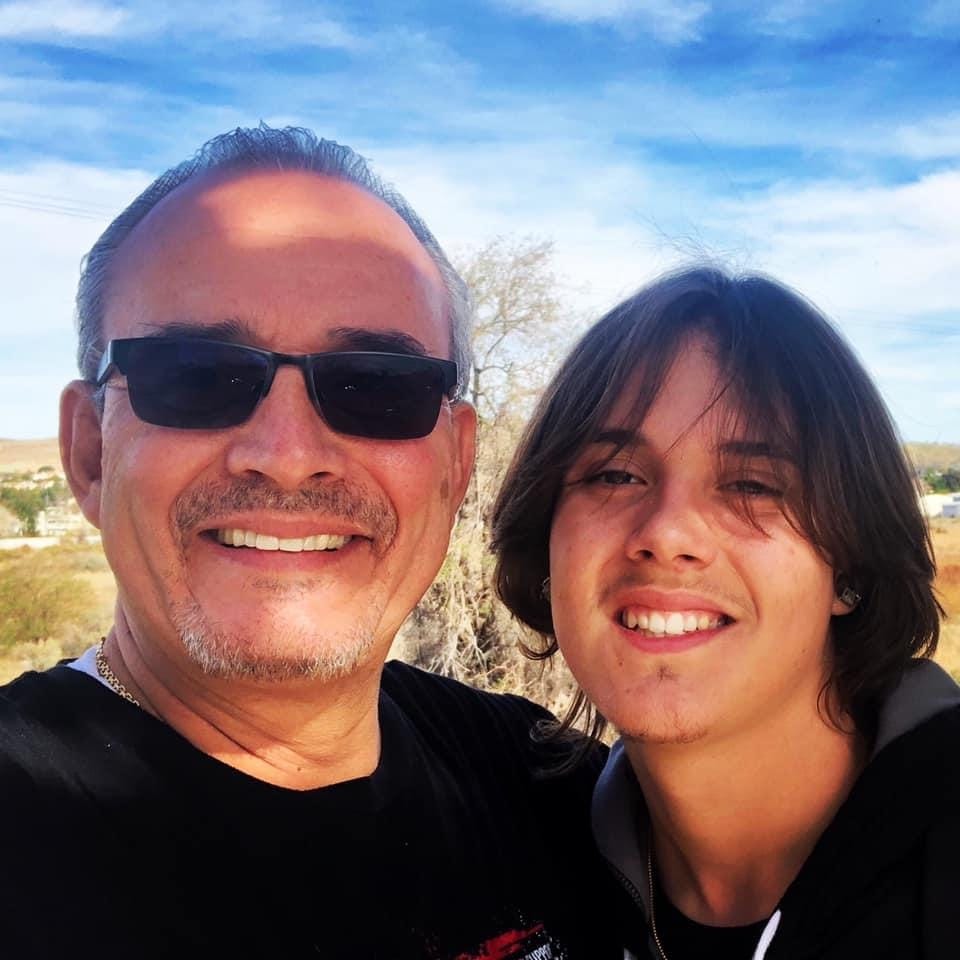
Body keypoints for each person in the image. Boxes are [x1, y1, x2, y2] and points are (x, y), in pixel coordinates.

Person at [0, 126, 617, 959]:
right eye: (196, 376)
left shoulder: (548, 789)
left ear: (456, 463)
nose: (288, 456)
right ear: (88, 452)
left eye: (376, 387)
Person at [492, 266, 959, 960]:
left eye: (751, 484)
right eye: (616, 474)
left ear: (851, 569)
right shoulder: (516, 864)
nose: (668, 533)